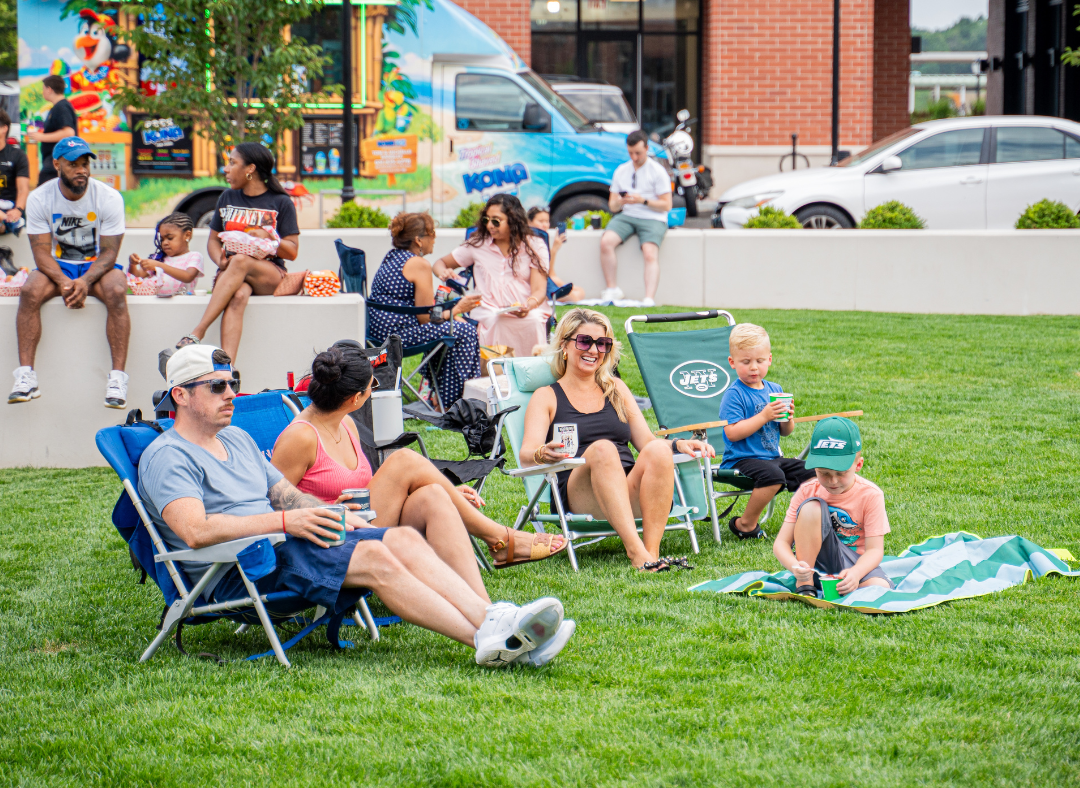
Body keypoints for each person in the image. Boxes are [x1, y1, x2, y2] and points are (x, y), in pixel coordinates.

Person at [139, 344, 577, 668]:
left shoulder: (235, 438)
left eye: (232, 383)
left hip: (282, 544)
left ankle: (498, 624)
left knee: (401, 537)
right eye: (217, 387)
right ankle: (489, 633)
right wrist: (289, 521)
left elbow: (284, 493)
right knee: (372, 554)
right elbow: (194, 530)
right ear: (180, 395)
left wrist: (330, 512)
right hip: (240, 567)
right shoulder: (168, 456)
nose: (231, 393)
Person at [272, 344, 570, 572]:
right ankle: (499, 537)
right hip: (327, 541)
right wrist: (326, 510)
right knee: (401, 460)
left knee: (431, 497)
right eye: (372, 386)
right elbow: (272, 504)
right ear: (355, 398)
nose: (372, 391)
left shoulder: (346, 424)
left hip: (362, 524)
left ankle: (471, 599)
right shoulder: (300, 437)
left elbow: (369, 489)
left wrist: (447, 491)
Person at [520, 308, 714, 571]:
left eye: (602, 343)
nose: (594, 350)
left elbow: (646, 441)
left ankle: (651, 553)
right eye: (584, 341)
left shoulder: (616, 388)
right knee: (603, 449)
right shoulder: (547, 396)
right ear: (564, 345)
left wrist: (679, 444)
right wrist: (543, 453)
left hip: (627, 489)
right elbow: (526, 454)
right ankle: (635, 552)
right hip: (582, 494)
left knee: (658, 449)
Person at [11, 137, 128, 407]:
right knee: (29, 291)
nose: (82, 170)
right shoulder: (40, 197)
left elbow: (110, 253)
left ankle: (118, 379)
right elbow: (40, 251)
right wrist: (65, 281)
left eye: (85, 164)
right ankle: (26, 377)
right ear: (56, 165)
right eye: (73, 164)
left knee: (117, 291)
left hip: (96, 265)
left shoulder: (108, 197)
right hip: (58, 265)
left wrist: (85, 281)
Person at [176, 142, 300, 363]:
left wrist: (271, 238)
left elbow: (292, 251)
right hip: (232, 273)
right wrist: (220, 260)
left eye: (232, 163)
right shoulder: (227, 198)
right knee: (239, 295)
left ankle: (198, 331)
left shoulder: (280, 202)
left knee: (241, 261)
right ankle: (228, 370)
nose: (226, 169)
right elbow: (213, 240)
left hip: (269, 275)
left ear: (250, 169)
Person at [367, 212, 481, 407]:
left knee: (455, 327)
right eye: (432, 235)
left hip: (378, 332)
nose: (434, 240)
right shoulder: (419, 264)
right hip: (397, 336)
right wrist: (455, 311)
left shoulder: (392, 257)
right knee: (467, 332)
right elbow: (425, 319)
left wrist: (450, 314)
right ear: (419, 240)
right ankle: (453, 402)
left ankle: (440, 396)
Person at [772, 417, 893, 597]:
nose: (833, 481)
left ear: (858, 465)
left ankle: (845, 587)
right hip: (815, 568)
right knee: (812, 507)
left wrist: (856, 573)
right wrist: (795, 567)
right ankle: (805, 586)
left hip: (855, 565)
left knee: (879, 588)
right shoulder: (807, 491)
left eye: (841, 473)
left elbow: (875, 550)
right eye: (824, 473)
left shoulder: (871, 495)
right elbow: (781, 543)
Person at [719, 323, 813, 540]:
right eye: (746, 362)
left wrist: (788, 418)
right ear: (732, 363)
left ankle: (809, 520)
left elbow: (786, 432)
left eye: (759, 361)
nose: (754, 367)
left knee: (814, 471)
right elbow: (731, 433)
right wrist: (763, 416)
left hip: (772, 457)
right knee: (774, 475)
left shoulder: (775, 390)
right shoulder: (734, 395)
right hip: (741, 459)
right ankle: (746, 524)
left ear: (769, 359)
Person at [433, 194, 551, 359]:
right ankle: (495, 376)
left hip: (528, 308)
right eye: (486, 220)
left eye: (496, 221)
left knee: (533, 321)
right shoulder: (477, 244)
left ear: (513, 220)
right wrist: (443, 272)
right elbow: (439, 263)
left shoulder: (534, 245)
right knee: (496, 321)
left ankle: (531, 375)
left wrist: (527, 306)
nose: (490, 225)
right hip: (487, 309)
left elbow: (539, 290)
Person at [599, 130, 672, 307]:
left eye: (638, 153)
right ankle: (612, 289)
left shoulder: (658, 171)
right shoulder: (622, 170)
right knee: (606, 242)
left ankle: (648, 298)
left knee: (649, 252)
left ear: (647, 148)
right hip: (628, 214)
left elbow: (667, 205)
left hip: (653, 217)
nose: (634, 157)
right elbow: (612, 206)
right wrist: (621, 201)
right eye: (630, 153)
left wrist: (643, 200)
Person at [128, 212, 204, 296]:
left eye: (170, 238)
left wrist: (159, 266)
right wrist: (132, 264)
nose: (165, 243)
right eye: (162, 239)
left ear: (187, 235)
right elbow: (138, 276)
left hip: (183, 304)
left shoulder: (194, 256)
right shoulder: (159, 258)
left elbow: (188, 276)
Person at [24, 76, 78, 186]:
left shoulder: (61, 107)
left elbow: (69, 132)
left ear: (49, 89)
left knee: (42, 193)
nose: (42, 92)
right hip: (56, 160)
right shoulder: (58, 107)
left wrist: (41, 137)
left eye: (43, 89)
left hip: (58, 160)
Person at [526, 207, 585, 303]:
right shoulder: (531, 239)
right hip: (536, 282)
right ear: (529, 222)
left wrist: (554, 249)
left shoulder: (543, 238)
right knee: (574, 297)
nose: (545, 225)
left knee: (580, 291)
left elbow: (550, 272)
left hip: (546, 279)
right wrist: (554, 250)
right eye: (540, 221)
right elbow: (545, 272)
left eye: (547, 221)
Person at [0, 110, 30, 237]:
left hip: (9, 210)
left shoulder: (17, 155)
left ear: (4, 128)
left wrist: (18, 210)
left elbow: (23, 190)